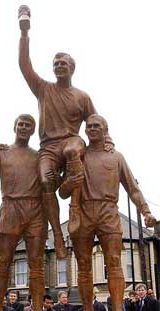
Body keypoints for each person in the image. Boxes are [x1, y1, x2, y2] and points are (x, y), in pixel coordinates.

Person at [18, 6, 113, 258]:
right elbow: (24, 65)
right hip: (48, 147)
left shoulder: (82, 96)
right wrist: (24, 34)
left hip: (71, 140)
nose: (59, 66)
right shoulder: (44, 89)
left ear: (72, 68)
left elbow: (97, 121)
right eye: (56, 63)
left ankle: (73, 207)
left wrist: (109, 142)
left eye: (64, 63)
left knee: (73, 149)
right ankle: (58, 237)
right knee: (46, 180)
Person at [59, 114, 156, 311]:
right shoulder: (78, 157)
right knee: (83, 265)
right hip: (83, 211)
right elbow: (63, 191)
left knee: (114, 262)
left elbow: (133, 189)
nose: (92, 128)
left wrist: (146, 212)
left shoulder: (116, 157)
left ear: (105, 130)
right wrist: (70, 182)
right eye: (89, 126)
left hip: (108, 210)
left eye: (97, 126)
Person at [0, 114, 48, 311]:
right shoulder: (2, 152)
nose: (24, 127)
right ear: (14, 127)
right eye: (21, 124)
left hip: (35, 210)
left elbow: (52, 182)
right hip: (10, 207)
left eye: (29, 125)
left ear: (33, 130)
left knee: (37, 265)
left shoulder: (39, 156)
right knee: (3, 263)